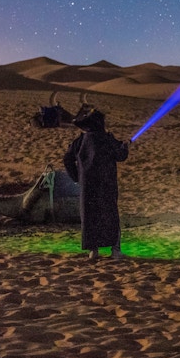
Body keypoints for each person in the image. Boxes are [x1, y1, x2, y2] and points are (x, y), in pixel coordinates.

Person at [63, 107, 129, 260]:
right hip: (107, 184)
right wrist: (125, 146)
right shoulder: (107, 138)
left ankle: (93, 251)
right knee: (110, 214)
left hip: (87, 185)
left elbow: (67, 159)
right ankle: (115, 250)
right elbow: (120, 155)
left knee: (90, 216)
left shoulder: (80, 141)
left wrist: (77, 177)